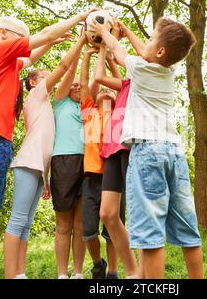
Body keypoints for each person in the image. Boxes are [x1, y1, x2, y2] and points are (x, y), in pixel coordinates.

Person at [0, 9, 96, 279]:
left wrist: (50, 43)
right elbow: (48, 45)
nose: (26, 43)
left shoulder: (11, 66)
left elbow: (33, 55)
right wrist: (80, 19)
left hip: (2, 142)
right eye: (23, 39)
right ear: (4, 35)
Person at [89, 17, 204, 279]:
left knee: (150, 234)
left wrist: (104, 32)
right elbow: (142, 50)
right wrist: (127, 31)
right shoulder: (169, 71)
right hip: (175, 153)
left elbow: (119, 53)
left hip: (147, 152)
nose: (146, 43)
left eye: (151, 39)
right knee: (189, 231)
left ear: (160, 51)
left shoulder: (140, 69)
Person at [4, 32, 90, 279]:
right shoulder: (38, 94)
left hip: (37, 167)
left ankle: (20, 274)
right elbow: (64, 68)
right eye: (44, 76)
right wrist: (79, 42)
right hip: (27, 163)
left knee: (26, 225)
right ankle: (12, 274)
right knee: (18, 221)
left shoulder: (46, 105)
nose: (49, 79)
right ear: (33, 82)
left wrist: (46, 177)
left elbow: (49, 144)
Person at [79, 45, 125, 279]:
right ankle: (98, 263)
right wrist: (88, 55)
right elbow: (85, 83)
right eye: (102, 91)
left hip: (114, 178)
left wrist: (111, 61)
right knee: (88, 231)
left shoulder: (120, 114)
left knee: (112, 230)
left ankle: (113, 273)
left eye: (111, 91)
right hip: (91, 178)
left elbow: (123, 83)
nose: (106, 91)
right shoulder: (89, 112)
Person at [50, 32, 89, 279]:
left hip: (87, 163)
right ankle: (62, 273)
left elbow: (88, 82)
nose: (76, 86)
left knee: (80, 223)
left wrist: (91, 53)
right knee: (63, 224)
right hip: (63, 162)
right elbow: (70, 76)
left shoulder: (87, 103)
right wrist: (80, 45)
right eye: (72, 84)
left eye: (78, 84)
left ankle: (77, 272)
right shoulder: (60, 102)